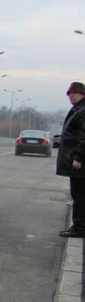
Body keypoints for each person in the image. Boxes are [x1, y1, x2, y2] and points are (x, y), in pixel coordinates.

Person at [57, 81, 85, 237]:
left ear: (82, 93)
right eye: (69, 93)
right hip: (77, 161)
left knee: (80, 195)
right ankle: (78, 225)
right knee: (77, 194)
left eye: (74, 93)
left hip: (80, 163)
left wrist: (79, 157)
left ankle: (79, 227)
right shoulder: (78, 109)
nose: (71, 96)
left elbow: (84, 137)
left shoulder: (83, 110)